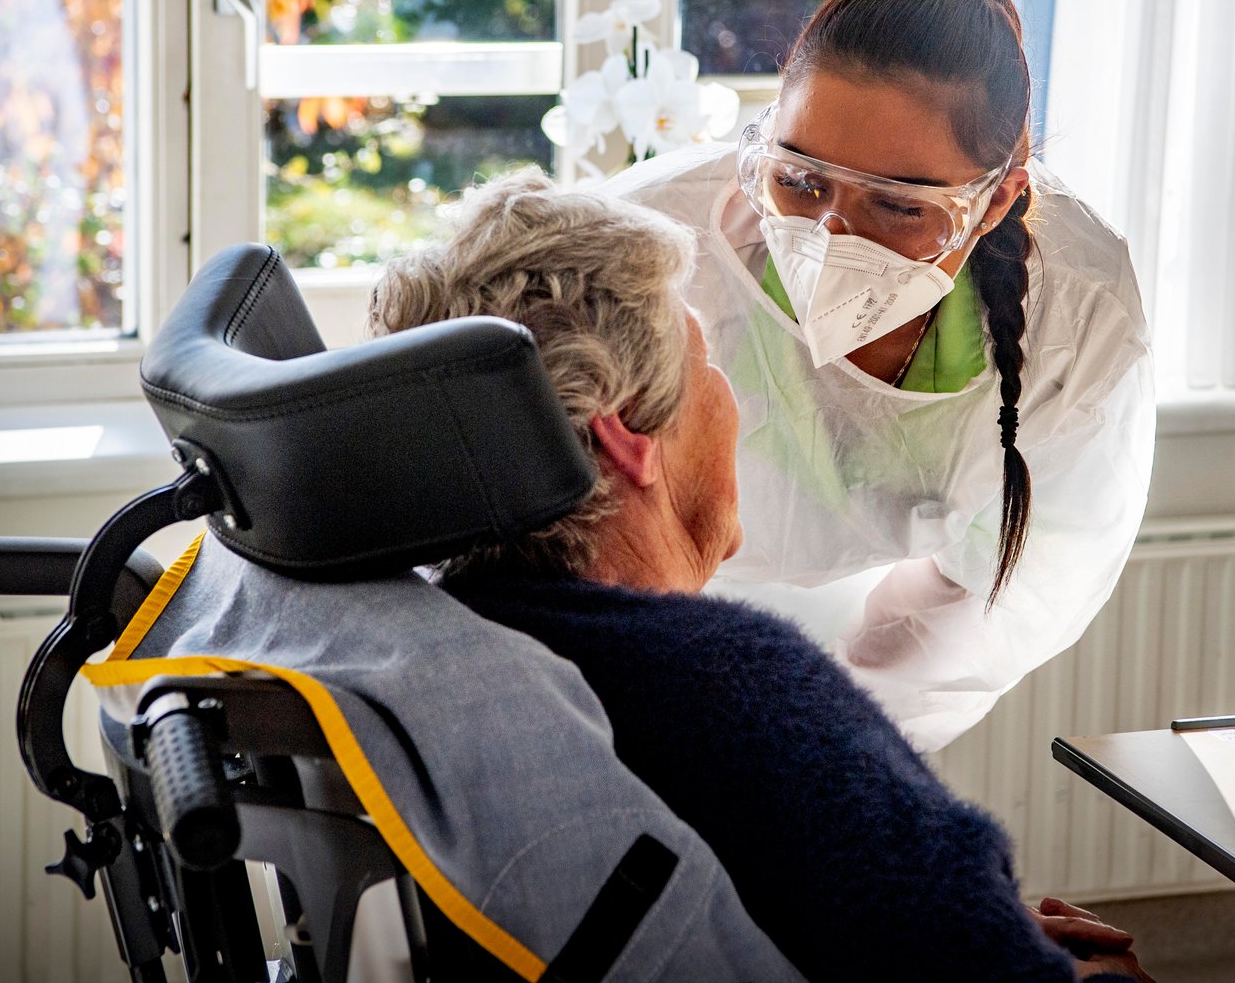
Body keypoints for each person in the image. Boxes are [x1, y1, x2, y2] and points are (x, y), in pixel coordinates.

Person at [371, 168, 1158, 983]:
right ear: (627, 434)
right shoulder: (740, 694)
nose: (730, 395)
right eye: (704, 359)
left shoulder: (440, 654)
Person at [598, 0, 1156, 750]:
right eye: (799, 179)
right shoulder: (649, 247)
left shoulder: (1076, 309)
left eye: (898, 208)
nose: (829, 236)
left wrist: (828, 739)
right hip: (639, 678)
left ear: (998, 196)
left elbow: (1003, 596)